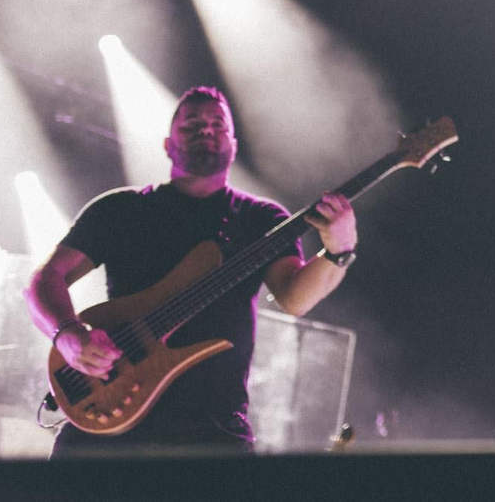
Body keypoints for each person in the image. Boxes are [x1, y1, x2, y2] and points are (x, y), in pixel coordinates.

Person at [24, 86, 358, 454]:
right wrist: (68, 335)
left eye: (218, 124)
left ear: (233, 144)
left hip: (212, 428)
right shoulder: (119, 209)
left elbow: (294, 297)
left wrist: (338, 249)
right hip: (109, 405)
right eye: (193, 124)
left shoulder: (262, 219)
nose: (207, 130)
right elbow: (44, 280)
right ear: (168, 144)